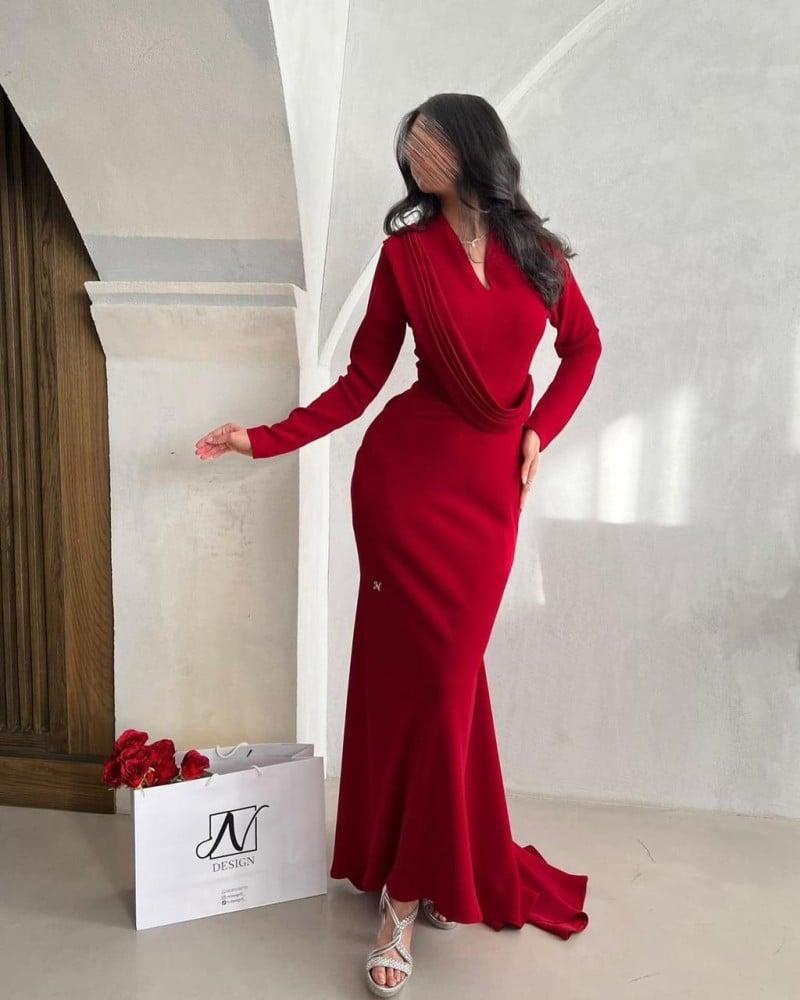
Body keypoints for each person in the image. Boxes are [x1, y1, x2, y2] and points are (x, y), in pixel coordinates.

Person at [196, 93, 602, 998]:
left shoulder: (538, 254)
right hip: (402, 488)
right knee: (424, 688)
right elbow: (361, 382)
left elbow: (584, 348)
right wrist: (263, 438)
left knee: (447, 684)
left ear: (472, 146)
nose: (416, 155)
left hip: (486, 500)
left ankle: (439, 862)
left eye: (430, 140)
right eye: (409, 145)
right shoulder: (404, 255)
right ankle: (405, 902)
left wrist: (539, 430)